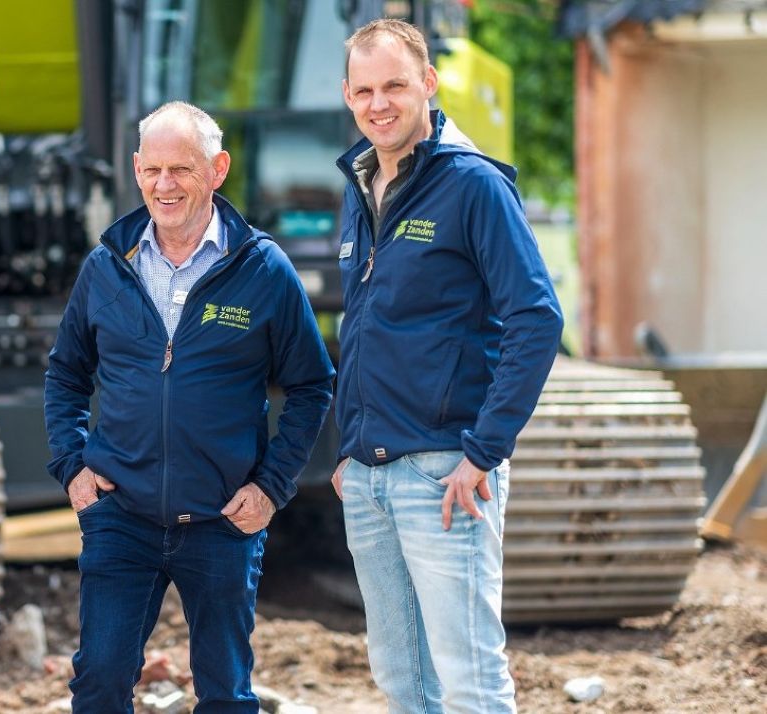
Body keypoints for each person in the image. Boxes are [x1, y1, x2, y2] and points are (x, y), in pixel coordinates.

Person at [44, 101, 335, 712]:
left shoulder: (263, 269)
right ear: (136, 170)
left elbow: (312, 385)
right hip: (121, 515)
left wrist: (271, 488)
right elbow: (66, 373)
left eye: (181, 169)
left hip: (222, 521)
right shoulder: (107, 266)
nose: (164, 185)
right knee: (99, 681)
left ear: (218, 169)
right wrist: (73, 467)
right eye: (152, 170)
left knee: (225, 693)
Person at [329, 19, 563, 714]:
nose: (379, 104)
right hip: (368, 479)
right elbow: (366, 325)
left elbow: (537, 318)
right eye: (364, 91)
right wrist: (348, 452)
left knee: (469, 684)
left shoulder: (473, 185)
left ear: (428, 83)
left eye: (395, 86)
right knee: (402, 681)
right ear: (347, 96)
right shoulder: (359, 186)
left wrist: (484, 451)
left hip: (444, 476)